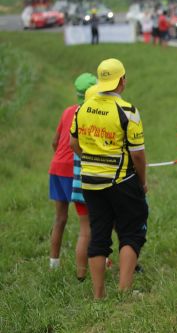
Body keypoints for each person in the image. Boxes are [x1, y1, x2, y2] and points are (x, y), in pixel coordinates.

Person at [70, 58, 149, 299]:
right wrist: (142, 181)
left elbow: (74, 144)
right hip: (122, 181)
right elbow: (138, 156)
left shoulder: (82, 109)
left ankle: (98, 295)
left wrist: (92, 159)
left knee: (100, 234)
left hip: (90, 183)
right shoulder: (128, 111)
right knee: (132, 232)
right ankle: (124, 292)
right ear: (122, 81)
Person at [48, 73, 95, 272]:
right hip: (74, 172)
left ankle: (54, 264)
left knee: (60, 218)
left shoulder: (68, 111)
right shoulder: (91, 114)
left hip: (55, 168)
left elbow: (55, 141)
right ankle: (92, 263)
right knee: (89, 223)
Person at [71, 73, 98, 281]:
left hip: (78, 184)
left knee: (84, 232)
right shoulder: (94, 114)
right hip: (96, 182)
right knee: (103, 228)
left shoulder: (76, 114)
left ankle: (81, 274)